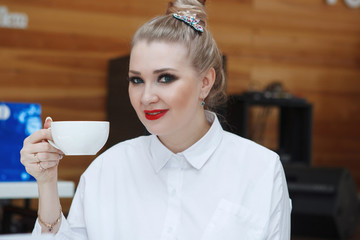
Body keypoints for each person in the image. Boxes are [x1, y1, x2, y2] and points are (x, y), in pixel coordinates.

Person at [20, 0, 291, 239]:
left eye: (165, 78)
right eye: (136, 80)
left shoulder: (261, 171)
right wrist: (46, 183)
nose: (147, 96)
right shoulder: (107, 169)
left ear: (205, 82)